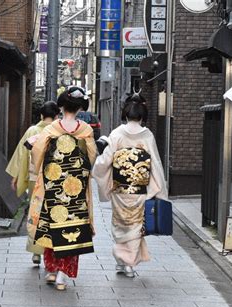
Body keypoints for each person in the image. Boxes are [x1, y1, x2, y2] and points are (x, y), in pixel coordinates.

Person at [92, 94, 168, 278]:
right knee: (135, 225)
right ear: (142, 117)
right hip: (141, 188)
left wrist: (98, 168)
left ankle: (121, 260)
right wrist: (160, 188)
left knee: (120, 224)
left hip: (120, 188)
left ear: (126, 115)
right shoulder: (147, 135)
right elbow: (155, 163)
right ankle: (128, 264)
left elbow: (105, 162)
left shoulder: (116, 134)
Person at [28, 86, 97, 290]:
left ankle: (50, 270)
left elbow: (38, 153)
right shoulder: (86, 130)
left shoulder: (51, 129)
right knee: (72, 226)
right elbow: (91, 156)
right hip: (75, 186)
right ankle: (61, 276)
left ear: (62, 106)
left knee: (51, 224)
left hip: (52, 184)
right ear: (79, 108)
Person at [6, 101, 60, 265]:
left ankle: (36, 253)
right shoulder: (58, 132)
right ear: (57, 116)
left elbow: (22, 155)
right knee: (51, 215)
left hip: (33, 178)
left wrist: (16, 176)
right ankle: (50, 250)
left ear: (42, 115)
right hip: (53, 179)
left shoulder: (33, 131)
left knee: (35, 215)